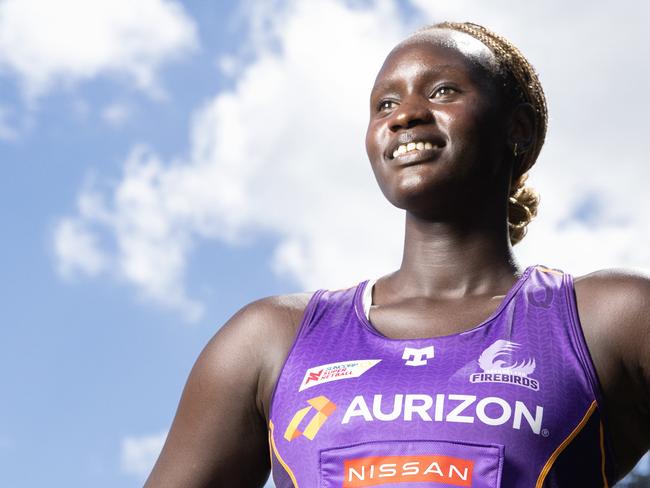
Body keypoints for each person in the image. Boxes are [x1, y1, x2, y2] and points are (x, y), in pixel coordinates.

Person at [144, 21, 650, 487]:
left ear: (517, 128)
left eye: (443, 91)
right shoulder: (270, 340)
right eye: (384, 104)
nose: (405, 114)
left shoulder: (609, 318)